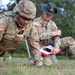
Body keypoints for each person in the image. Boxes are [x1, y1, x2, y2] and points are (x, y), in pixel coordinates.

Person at [28, 2, 75, 67]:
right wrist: (53, 33)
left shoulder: (52, 24)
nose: (49, 16)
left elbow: (57, 37)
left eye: (50, 14)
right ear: (44, 12)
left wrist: (56, 47)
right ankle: (36, 62)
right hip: (39, 49)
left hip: (50, 46)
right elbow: (38, 36)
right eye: (47, 14)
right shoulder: (36, 22)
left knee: (70, 39)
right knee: (47, 65)